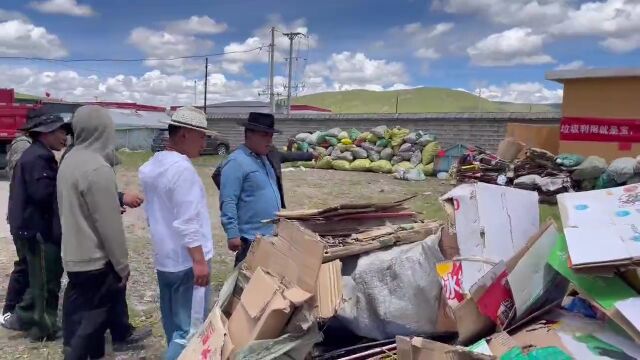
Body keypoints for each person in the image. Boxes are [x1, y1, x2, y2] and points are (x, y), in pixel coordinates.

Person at [139, 106, 214, 360]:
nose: (205, 142)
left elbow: (153, 214)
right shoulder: (182, 170)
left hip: (166, 260)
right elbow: (187, 222)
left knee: (173, 326)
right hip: (187, 262)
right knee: (189, 332)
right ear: (184, 134)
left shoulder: (151, 166)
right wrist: (199, 260)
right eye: (201, 136)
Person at [57, 105, 130, 359]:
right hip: (96, 261)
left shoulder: (69, 160)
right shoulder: (98, 168)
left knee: (79, 324)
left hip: (74, 257)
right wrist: (122, 266)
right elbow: (109, 225)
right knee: (90, 328)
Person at [3, 113, 70, 341]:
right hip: (37, 230)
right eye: (61, 131)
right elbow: (43, 195)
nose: (65, 136)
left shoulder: (39, 155)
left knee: (44, 276)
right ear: (46, 132)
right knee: (44, 280)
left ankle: (29, 319)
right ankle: (40, 325)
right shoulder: (38, 158)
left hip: (32, 228)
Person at [219, 112, 285, 266]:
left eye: (271, 135)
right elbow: (228, 199)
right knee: (247, 285)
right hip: (250, 240)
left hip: (272, 235)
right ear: (249, 134)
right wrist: (232, 233)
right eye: (264, 135)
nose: (269, 140)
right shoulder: (236, 161)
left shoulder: (264, 159)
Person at [1, 132, 32, 324]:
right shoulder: (23, 147)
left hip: (21, 217)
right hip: (23, 218)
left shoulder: (24, 145)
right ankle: (10, 310)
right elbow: (23, 183)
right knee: (25, 264)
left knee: (27, 264)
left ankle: (19, 306)